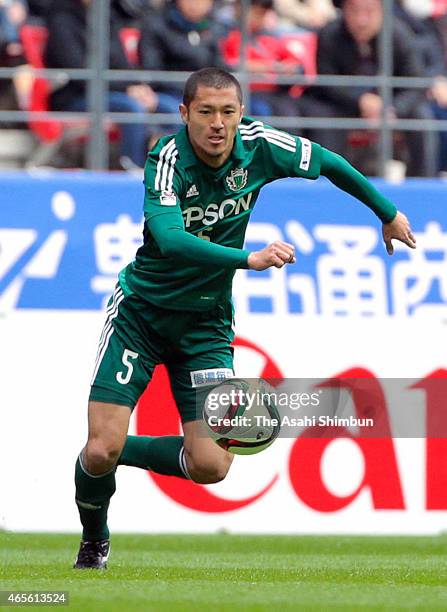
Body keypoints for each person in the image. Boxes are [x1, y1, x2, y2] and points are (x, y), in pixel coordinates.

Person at [73, 67, 416, 569]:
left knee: (211, 465)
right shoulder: (166, 158)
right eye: (206, 112)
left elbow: (328, 162)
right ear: (184, 113)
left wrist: (385, 211)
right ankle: (94, 539)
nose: (218, 124)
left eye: (228, 112)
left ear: (241, 113)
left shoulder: (258, 144)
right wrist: (246, 259)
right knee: (99, 451)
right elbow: (169, 240)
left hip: (205, 326)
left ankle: (117, 449)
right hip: (141, 316)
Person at [299, 0, 438, 177]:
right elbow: (326, 80)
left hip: (391, 106)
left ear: (381, 11)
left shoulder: (399, 34)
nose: (361, 20)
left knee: (422, 118)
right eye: (354, 11)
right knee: (322, 117)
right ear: (344, 11)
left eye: (369, 12)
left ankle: (423, 183)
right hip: (343, 105)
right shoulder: (330, 34)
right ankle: (328, 179)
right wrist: (360, 100)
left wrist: (392, 107)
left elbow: (416, 82)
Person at [44, 0, 174, 169]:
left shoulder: (107, 17)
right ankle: (133, 166)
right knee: (131, 108)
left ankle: (174, 170)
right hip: (75, 96)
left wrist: (139, 86)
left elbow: (121, 62)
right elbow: (80, 72)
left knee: (169, 109)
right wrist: (127, 89)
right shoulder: (62, 20)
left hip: (113, 91)